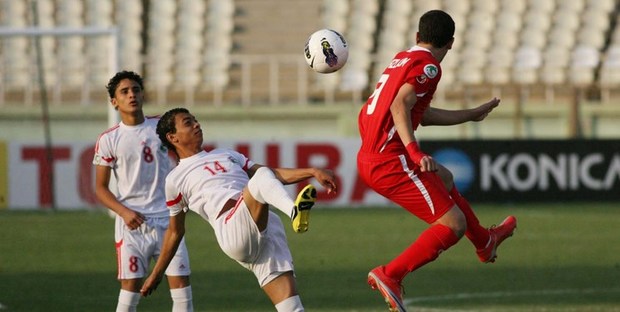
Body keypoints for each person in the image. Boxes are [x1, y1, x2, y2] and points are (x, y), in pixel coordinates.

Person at [357, 10, 517, 311]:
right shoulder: (429, 66)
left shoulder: (402, 59)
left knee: (444, 178)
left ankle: (484, 241)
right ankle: (390, 274)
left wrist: (469, 115)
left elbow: (419, 113)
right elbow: (400, 106)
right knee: (453, 224)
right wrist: (414, 151)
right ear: (452, 43)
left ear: (418, 37)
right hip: (388, 160)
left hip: (373, 155)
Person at [139, 107, 338, 312]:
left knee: (292, 307)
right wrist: (157, 274)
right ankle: (294, 211)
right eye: (188, 123)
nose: (197, 124)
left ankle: (293, 212)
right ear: (173, 137)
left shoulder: (226, 154)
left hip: (265, 226)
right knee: (261, 177)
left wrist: (313, 171)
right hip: (231, 228)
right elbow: (175, 231)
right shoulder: (175, 178)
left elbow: (273, 175)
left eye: (195, 120)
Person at [93, 71, 193, 312]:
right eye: (124, 92)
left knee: (181, 290)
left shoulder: (161, 127)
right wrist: (125, 212)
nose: (132, 95)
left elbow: (187, 154)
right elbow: (100, 188)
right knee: (129, 291)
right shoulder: (109, 139)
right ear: (114, 102)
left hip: (169, 221)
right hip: (132, 225)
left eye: (136, 89)